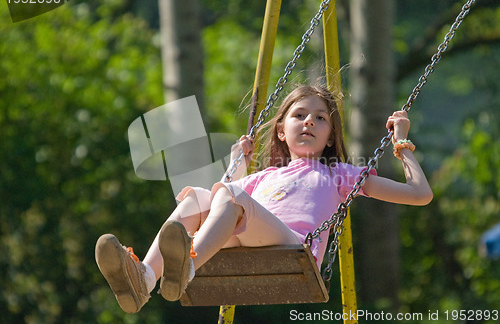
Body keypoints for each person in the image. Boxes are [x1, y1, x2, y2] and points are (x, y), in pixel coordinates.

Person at [95, 85, 433, 313]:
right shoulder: (261, 178)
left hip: (292, 247)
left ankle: (187, 266)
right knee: (197, 198)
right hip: (241, 236)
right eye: (300, 115)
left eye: (320, 118)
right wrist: (236, 165)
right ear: (282, 131)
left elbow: (420, 195)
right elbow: (222, 202)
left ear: (330, 137)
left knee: (230, 195)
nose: (309, 122)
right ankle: (144, 279)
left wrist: (400, 144)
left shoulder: (339, 173)